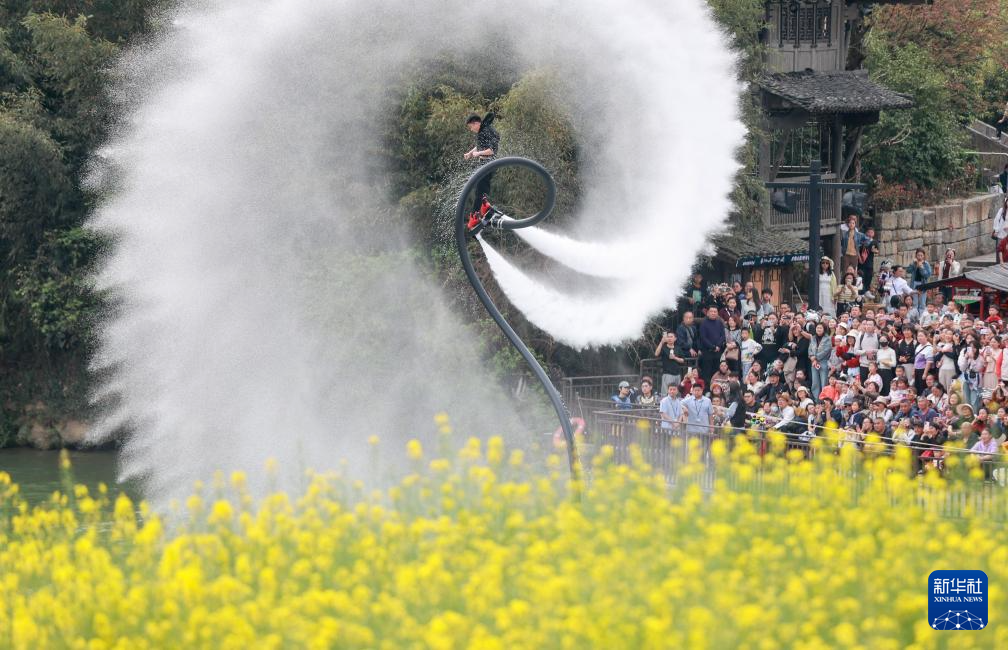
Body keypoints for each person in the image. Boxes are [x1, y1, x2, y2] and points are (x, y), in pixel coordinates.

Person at [463, 112, 500, 214]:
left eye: (471, 127)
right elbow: (481, 145)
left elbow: (491, 151)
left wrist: (478, 153)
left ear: (476, 123)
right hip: (484, 163)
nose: (471, 129)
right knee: (479, 188)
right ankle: (484, 206)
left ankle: (475, 214)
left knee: (480, 190)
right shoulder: (482, 130)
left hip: (488, 164)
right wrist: (470, 153)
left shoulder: (486, 131)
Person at [698, 306, 726, 386]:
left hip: (718, 352)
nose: (713, 313)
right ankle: (707, 389)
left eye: (715, 312)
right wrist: (713, 347)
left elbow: (723, 335)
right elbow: (703, 338)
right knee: (707, 372)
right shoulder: (704, 323)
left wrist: (718, 346)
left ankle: (716, 388)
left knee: (716, 371)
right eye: (711, 311)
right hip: (707, 352)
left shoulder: (719, 323)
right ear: (708, 313)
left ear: (717, 313)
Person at [906, 248, 932, 313]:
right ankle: (915, 316)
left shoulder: (926, 264)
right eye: (918, 255)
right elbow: (908, 270)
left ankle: (921, 316)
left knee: (922, 303)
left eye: (921, 255)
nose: (920, 257)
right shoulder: (914, 263)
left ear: (924, 256)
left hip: (922, 284)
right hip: (914, 284)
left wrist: (921, 268)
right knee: (914, 302)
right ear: (916, 255)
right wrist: (913, 264)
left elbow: (927, 275)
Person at [994, 195, 1008, 263]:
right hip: (1000, 234)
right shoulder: (1001, 210)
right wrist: (996, 230)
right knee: (999, 249)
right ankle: (998, 263)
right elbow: (996, 220)